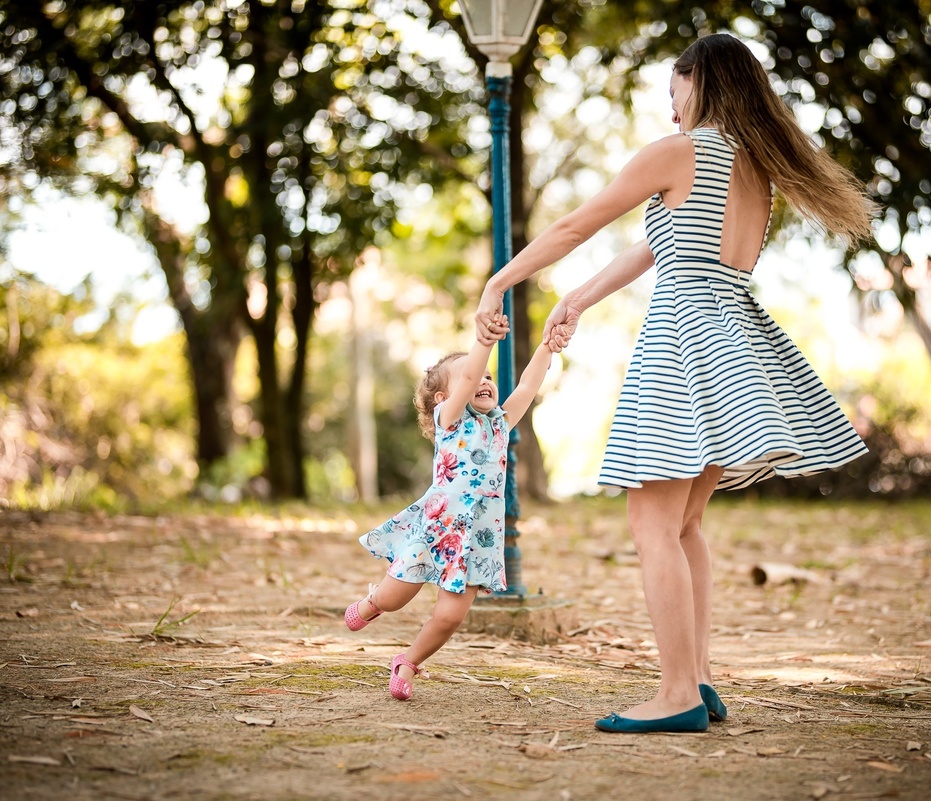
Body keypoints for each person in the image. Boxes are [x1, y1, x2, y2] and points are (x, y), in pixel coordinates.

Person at [474, 33, 876, 733]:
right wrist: (579, 299)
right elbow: (656, 245)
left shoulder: (682, 153)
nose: (670, 111)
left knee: (651, 521)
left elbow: (576, 224)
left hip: (684, 341)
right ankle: (697, 678)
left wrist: (500, 281)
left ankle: (676, 693)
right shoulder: (754, 169)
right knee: (684, 521)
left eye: (675, 92)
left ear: (702, 81)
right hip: (734, 341)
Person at [344, 327, 556, 701]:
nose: (484, 379)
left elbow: (525, 386)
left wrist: (546, 347)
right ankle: (373, 602)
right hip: (436, 529)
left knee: (450, 617)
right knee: (394, 599)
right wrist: (484, 341)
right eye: (474, 375)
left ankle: (407, 662)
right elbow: (471, 376)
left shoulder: (499, 424)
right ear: (444, 396)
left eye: (490, 377)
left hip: (477, 539)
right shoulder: (450, 419)